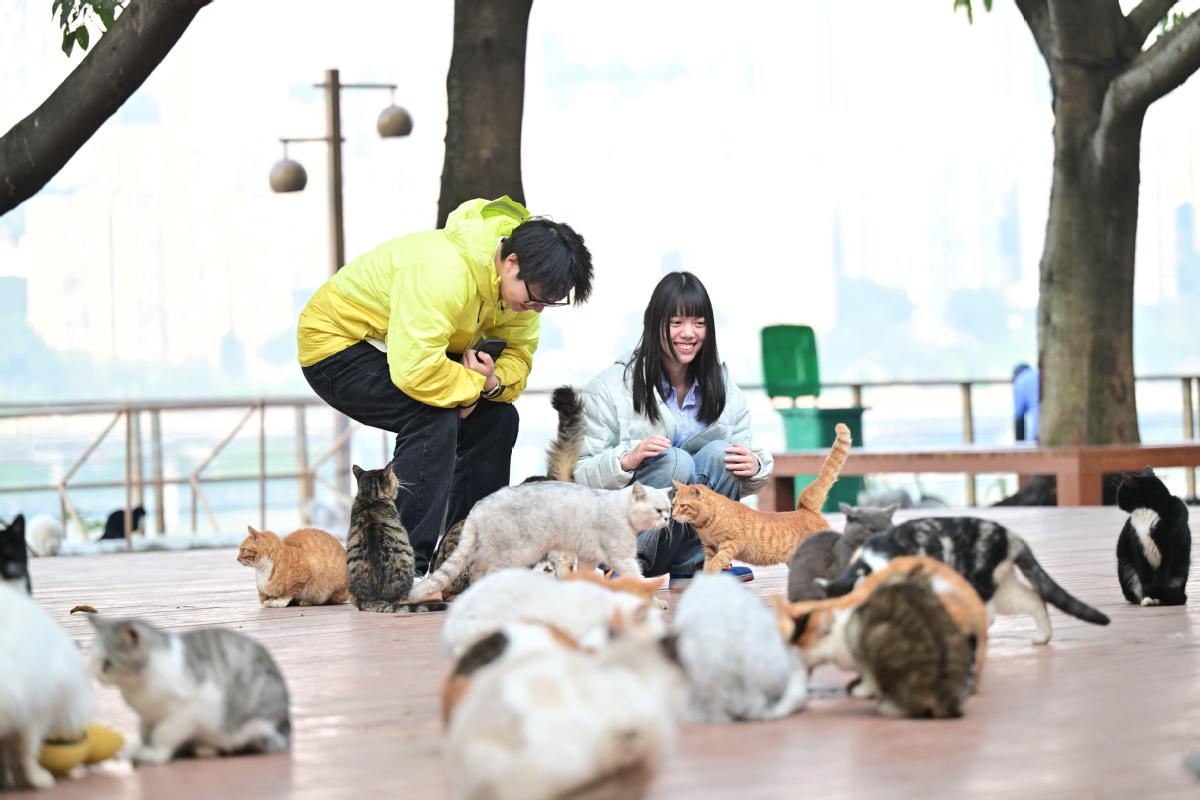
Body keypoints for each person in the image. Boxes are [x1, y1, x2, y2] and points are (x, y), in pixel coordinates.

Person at [297, 196, 593, 573]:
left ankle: (470, 560)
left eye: (549, 303)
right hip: (335, 345)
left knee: (498, 419)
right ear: (512, 262)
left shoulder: (522, 297)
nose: (537, 309)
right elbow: (415, 369)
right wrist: (466, 389)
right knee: (432, 417)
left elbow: (517, 357)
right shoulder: (444, 270)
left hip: (405, 353)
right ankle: (400, 569)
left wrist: (489, 383)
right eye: (535, 297)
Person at [573, 271, 773, 588]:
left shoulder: (722, 388)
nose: (688, 333)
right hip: (620, 531)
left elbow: (741, 461)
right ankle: (624, 570)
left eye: (698, 323)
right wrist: (625, 460)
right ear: (655, 326)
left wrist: (756, 467)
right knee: (675, 461)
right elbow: (577, 475)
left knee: (722, 454)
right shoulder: (610, 387)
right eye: (676, 323)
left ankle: (697, 566)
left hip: (682, 528)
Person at [1012, 362, 1039, 442]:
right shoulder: (1038, 372)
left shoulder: (1020, 381)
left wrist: (1019, 445)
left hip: (1038, 430)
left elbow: (1019, 416)